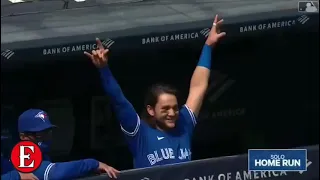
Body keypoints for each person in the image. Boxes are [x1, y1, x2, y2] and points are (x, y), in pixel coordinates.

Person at [84, 15, 226, 168]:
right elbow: (118, 100)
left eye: (175, 108)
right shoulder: (139, 132)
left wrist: (208, 46)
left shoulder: (184, 123)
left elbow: (198, 87)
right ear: (151, 110)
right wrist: (104, 69)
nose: (172, 113)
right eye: (165, 109)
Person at [16, 109, 119, 179]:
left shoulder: (42, 155)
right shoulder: (21, 157)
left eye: (47, 132)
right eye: (39, 134)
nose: (46, 137)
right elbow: (55, 173)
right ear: (23, 136)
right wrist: (93, 163)